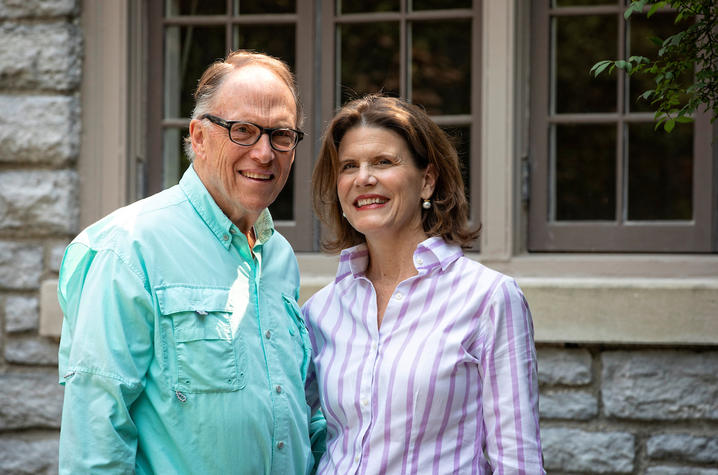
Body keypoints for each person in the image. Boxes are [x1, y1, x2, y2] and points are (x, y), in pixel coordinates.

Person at [57, 50, 324, 474]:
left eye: (281, 135)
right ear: (198, 136)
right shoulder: (128, 247)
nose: (264, 153)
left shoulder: (279, 257)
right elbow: (96, 434)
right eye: (243, 130)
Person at [303, 94, 545, 474]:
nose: (363, 178)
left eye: (384, 162)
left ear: (427, 181)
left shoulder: (488, 299)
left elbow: (518, 462)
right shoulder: (320, 311)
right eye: (349, 166)